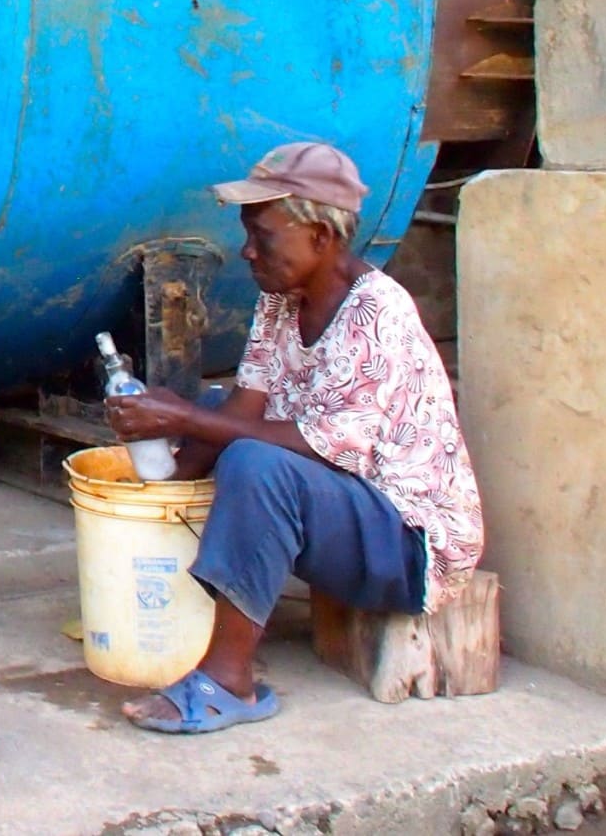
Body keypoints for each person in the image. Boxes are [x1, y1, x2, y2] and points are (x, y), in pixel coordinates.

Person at [104, 141, 484, 735]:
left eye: (263, 235)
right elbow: (243, 404)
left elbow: (317, 446)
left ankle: (232, 680)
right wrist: (163, 484)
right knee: (216, 416)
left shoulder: (378, 314)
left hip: (411, 545)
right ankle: (187, 599)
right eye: (247, 234)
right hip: (347, 505)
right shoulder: (280, 302)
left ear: (322, 237)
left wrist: (179, 418)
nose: (247, 250)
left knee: (256, 463)